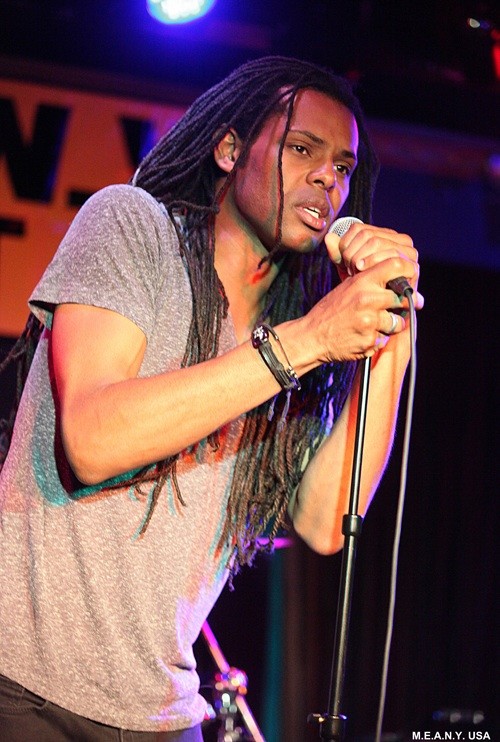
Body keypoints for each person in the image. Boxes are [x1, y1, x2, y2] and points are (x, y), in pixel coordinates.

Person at [0, 55, 423, 741]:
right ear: (229, 150)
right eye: (302, 148)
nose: (328, 177)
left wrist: (390, 331)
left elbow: (324, 522)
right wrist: (307, 341)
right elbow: (92, 440)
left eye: (343, 166)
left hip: (162, 710)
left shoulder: (296, 322)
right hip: (25, 689)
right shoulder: (133, 226)